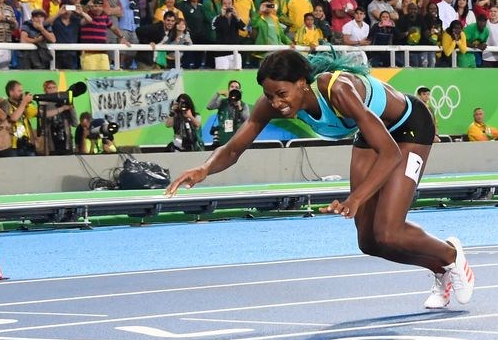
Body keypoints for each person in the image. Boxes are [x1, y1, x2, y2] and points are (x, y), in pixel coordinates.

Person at [165, 49, 475, 309]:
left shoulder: (337, 90)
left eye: (281, 94)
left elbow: (391, 153)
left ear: (302, 83)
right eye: (269, 96)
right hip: (372, 135)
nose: (275, 103)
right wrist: (203, 169)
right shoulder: (273, 103)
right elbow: (233, 149)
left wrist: (355, 199)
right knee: (369, 241)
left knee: (389, 231)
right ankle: (440, 268)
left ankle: (451, 254)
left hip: (409, 128)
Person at [37, 80, 78, 155]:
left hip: (66, 143)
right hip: (51, 143)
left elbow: (75, 123)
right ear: (45, 90)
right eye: (49, 88)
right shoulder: (43, 103)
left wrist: (71, 107)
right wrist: (61, 109)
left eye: (54, 87)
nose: (52, 89)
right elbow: (42, 117)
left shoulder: (63, 101)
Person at [206, 80, 250, 147]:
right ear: (228, 89)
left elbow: (247, 119)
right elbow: (209, 106)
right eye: (232, 87)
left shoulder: (243, 105)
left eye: (236, 87)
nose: (234, 89)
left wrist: (239, 106)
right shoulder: (222, 101)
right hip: (223, 136)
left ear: (240, 91)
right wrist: (218, 94)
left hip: (237, 136)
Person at [6, 80, 38, 157]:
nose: (22, 93)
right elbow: (13, 118)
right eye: (19, 91)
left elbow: (35, 113)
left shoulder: (24, 104)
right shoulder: (5, 104)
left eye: (22, 91)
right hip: (13, 146)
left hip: (27, 144)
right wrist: (24, 102)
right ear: (11, 92)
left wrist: (27, 103)